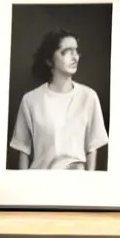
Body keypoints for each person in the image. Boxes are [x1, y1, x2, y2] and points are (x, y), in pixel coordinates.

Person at [9, 28, 108, 171]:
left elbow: (93, 147)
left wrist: (88, 184)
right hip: (40, 182)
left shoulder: (89, 97)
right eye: (66, 51)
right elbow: (23, 150)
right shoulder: (31, 100)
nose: (75, 57)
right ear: (49, 60)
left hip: (76, 185)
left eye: (76, 51)